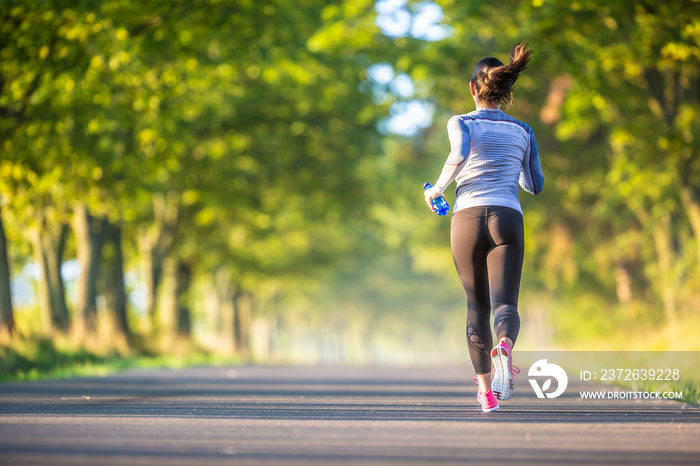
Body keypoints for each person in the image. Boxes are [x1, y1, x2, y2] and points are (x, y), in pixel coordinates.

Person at [424, 42, 544, 412]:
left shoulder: (460, 122)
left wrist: (437, 189)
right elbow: (534, 185)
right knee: (505, 303)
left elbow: (459, 155)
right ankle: (504, 347)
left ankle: (486, 393)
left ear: (473, 88)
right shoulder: (523, 130)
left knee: (476, 305)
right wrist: (511, 167)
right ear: (506, 91)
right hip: (508, 217)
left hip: (468, 218)